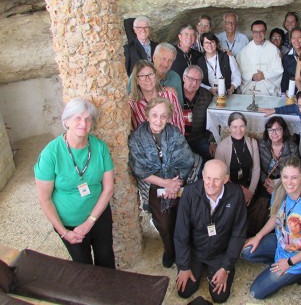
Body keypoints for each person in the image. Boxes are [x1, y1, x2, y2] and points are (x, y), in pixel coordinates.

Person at [34, 98, 115, 268]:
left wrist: (89, 222)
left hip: (98, 216)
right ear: (66, 121)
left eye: (87, 119)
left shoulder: (100, 147)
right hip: (69, 224)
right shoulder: (50, 154)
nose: (83, 124)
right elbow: (44, 199)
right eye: (77, 118)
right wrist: (64, 233)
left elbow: (108, 188)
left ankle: (109, 293)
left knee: (106, 259)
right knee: (82, 266)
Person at [241, 156, 301, 300]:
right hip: (280, 242)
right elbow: (275, 217)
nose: (289, 182)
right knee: (245, 251)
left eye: (294, 178)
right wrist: (258, 236)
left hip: (295, 257)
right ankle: (276, 263)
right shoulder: (279, 192)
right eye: (285, 177)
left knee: (256, 292)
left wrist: (289, 263)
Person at [128, 97, 196, 268]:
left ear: (169, 117)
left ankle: (183, 250)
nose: (159, 120)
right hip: (156, 183)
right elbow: (139, 170)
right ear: (147, 115)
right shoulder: (136, 138)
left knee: (182, 219)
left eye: (163, 116)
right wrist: (165, 183)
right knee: (164, 224)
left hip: (177, 180)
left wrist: (176, 184)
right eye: (155, 115)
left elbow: (187, 160)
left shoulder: (174, 133)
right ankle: (170, 249)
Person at [174, 159, 247, 303]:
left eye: (216, 179)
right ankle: (198, 268)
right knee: (184, 291)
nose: (211, 184)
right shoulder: (189, 193)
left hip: (220, 251)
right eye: (208, 178)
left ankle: (217, 269)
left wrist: (226, 267)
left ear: (226, 179)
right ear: (202, 175)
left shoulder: (236, 194)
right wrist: (184, 266)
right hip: (196, 250)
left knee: (220, 297)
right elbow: (181, 232)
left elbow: (239, 233)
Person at [251, 116, 299, 236]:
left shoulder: (292, 147)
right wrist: (264, 180)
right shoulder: (262, 145)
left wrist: (279, 186)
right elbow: (257, 167)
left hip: (285, 183)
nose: (274, 133)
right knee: (262, 207)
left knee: (281, 205)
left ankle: (279, 233)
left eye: (278, 129)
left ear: (284, 130)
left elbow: (295, 171)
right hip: (266, 182)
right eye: (271, 130)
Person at [215, 112, 260, 207]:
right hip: (229, 187)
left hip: (249, 187)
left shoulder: (253, 143)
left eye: (242, 126)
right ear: (229, 128)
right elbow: (220, 175)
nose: (238, 130)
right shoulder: (222, 147)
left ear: (245, 126)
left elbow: (256, 169)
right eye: (234, 127)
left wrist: (250, 192)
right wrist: (240, 190)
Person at [129, 60, 184, 133]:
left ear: (156, 76)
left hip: (172, 142)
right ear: (136, 80)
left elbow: (179, 127)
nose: (147, 79)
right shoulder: (132, 103)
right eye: (142, 76)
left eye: (151, 74)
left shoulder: (170, 96)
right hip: (143, 143)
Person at [237, 20, 283, 96]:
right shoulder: (244, 52)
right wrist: (252, 76)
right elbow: (239, 72)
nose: (258, 34)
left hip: (268, 92)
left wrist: (264, 75)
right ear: (252, 32)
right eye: (255, 31)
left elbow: (279, 70)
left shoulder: (273, 50)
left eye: (261, 31)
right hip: (250, 90)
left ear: (265, 32)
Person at [182, 65, 216, 163]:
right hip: (179, 140)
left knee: (212, 157)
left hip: (198, 138)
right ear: (184, 78)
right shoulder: (175, 92)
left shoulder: (206, 95)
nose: (194, 83)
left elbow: (212, 119)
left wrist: (212, 141)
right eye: (191, 79)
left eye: (198, 80)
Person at [196, 32, 241, 96]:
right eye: (206, 42)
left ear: (216, 43)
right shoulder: (199, 62)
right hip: (208, 96)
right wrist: (209, 89)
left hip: (228, 95)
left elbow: (237, 75)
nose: (210, 45)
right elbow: (198, 81)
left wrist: (232, 88)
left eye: (212, 42)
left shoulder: (227, 56)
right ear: (202, 45)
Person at [281, 27, 301, 94]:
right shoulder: (287, 57)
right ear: (290, 40)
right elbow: (285, 77)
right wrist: (283, 92)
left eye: (299, 37)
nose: (296, 40)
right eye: (294, 38)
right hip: (292, 91)